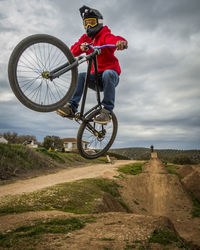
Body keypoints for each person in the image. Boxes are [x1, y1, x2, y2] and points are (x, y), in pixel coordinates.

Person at [57, 5, 128, 124]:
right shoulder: (86, 38)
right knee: (81, 76)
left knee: (108, 73)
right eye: (86, 23)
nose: (88, 26)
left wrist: (120, 42)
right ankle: (72, 107)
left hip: (110, 77)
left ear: (99, 22)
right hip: (95, 78)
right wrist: (81, 47)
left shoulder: (105, 35)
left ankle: (107, 111)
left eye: (91, 22)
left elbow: (114, 39)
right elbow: (73, 50)